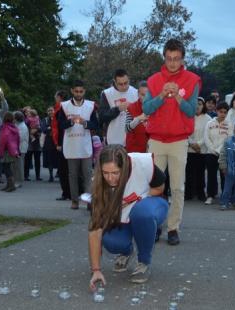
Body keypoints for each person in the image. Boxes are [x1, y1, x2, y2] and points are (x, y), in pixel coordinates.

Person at [143, 38, 201, 245]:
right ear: (164, 58)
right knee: (155, 187)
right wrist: (160, 95)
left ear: (183, 58)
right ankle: (155, 225)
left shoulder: (192, 80)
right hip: (156, 140)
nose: (173, 63)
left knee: (177, 187)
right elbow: (147, 109)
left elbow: (191, 110)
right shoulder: (153, 80)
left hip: (178, 141)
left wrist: (177, 97)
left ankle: (173, 228)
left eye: (176, 59)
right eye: (169, 58)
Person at [88, 145, 168, 288]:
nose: (110, 178)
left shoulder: (142, 164)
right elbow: (95, 230)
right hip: (122, 216)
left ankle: (144, 262)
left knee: (142, 213)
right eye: (105, 173)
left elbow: (160, 188)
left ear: (124, 167)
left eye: (115, 173)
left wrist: (137, 200)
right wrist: (96, 270)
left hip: (153, 204)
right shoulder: (99, 184)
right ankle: (126, 251)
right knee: (112, 242)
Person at [57, 80, 99, 209]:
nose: (79, 93)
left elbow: (96, 125)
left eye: (81, 91)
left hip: (85, 145)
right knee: (73, 175)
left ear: (84, 91)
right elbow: (60, 125)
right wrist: (70, 122)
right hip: (71, 145)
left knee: (87, 175)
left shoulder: (91, 106)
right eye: (76, 91)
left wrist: (84, 123)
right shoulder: (64, 106)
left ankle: (89, 202)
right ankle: (74, 200)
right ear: (72, 91)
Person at [99, 69, 138, 146]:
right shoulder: (106, 94)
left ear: (129, 79)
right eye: (120, 84)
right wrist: (118, 109)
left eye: (126, 83)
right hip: (114, 140)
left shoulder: (136, 92)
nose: (124, 86)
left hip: (133, 140)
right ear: (115, 82)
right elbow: (102, 116)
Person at [203, 101, 231, 205]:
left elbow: (229, 139)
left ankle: (224, 196)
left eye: (225, 112)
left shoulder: (230, 124)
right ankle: (210, 195)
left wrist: (220, 150)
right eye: (220, 112)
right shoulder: (209, 123)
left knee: (224, 176)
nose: (222, 114)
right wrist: (213, 149)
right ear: (216, 111)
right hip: (211, 153)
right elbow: (206, 138)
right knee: (211, 175)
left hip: (224, 154)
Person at [185, 98, 211, 201]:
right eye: (195, 104)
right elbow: (185, 131)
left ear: (203, 105)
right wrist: (192, 143)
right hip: (189, 149)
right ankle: (188, 194)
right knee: (189, 173)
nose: (197, 106)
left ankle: (201, 193)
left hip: (202, 150)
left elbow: (207, 134)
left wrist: (198, 144)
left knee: (200, 173)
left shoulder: (208, 118)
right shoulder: (187, 117)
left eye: (199, 104)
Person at [53, 90, 72, 201]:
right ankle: (69, 192)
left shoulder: (61, 108)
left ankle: (67, 193)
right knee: (68, 169)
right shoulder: (65, 107)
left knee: (64, 169)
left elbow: (59, 127)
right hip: (65, 141)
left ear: (59, 97)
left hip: (63, 142)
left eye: (56, 97)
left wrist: (59, 143)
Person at [0, 112, 20, 192]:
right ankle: (9, 185)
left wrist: (0, 151)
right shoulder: (14, 127)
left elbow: (3, 140)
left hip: (6, 150)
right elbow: (18, 139)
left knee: (6, 168)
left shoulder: (5, 127)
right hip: (12, 150)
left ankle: (11, 185)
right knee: (8, 167)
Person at [125, 81, 149, 153]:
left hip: (153, 149)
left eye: (148, 95)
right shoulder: (131, 107)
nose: (145, 98)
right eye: (142, 95)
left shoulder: (156, 107)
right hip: (135, 150)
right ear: (138, 94)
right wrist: (138, 119)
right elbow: (127, 129)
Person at [24, 109, 42, 181]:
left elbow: (41, 128)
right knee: (27, 160)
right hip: (29, 143)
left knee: (37, 161)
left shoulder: (38, 119)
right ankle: (26, 175)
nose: (28, 114)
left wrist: (36, 130)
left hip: (37, 142)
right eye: (27, 112)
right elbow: (25, 129)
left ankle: (38, 175)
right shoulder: (26, 121)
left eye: (30, 113)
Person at [41, 106, 58, 182]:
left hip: (57, 142)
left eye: (51, 110)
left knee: (58, 159)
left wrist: (49, 127)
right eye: (49, 111)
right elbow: (43, 129)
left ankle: (59, 173)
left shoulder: (58, 118)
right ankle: (51, 175)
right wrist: (50, 127)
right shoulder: (45, 120)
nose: (50, 112)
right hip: (48, 142)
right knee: (50, 160)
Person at [13, 111, 29, 188]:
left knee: (19, 165)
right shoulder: (18, 125)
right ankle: (16, 180)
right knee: (16, 165)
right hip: (17, 148)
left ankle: (19, 181)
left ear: (16, 118)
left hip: (20, 148)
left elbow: (20, 138)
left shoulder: (23, 126)